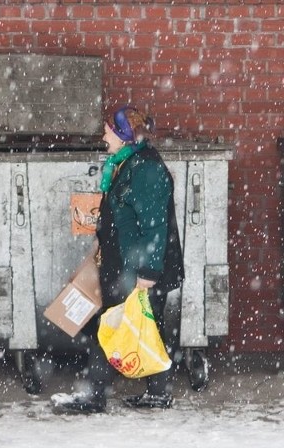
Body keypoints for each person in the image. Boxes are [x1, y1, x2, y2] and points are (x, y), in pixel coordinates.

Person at [51, 105, 185, 413]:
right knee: (148, 327)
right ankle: (157, 392)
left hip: (137, 268)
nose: (103, 135)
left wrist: (149, 270)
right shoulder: (126, 163)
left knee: (110, 326)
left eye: (108, 130)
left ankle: (93, 394)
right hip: (126, 263)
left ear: (124, 136)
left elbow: (154, 224)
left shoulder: (145, 168)